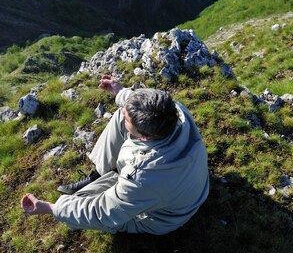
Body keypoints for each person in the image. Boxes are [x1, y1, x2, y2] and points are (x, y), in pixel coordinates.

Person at [20, 75, 210, 235]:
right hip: (182, 186)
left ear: (144, 137)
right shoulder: (175, 112)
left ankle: (98, 184)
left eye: (130, 119)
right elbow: (139, 106)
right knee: (121, 115)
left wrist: (53, 208)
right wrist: (120, 92)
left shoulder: (143, 176)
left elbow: (103, 213)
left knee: (79, 201)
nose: (122, 111)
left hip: (162, 217)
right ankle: (98, 174)